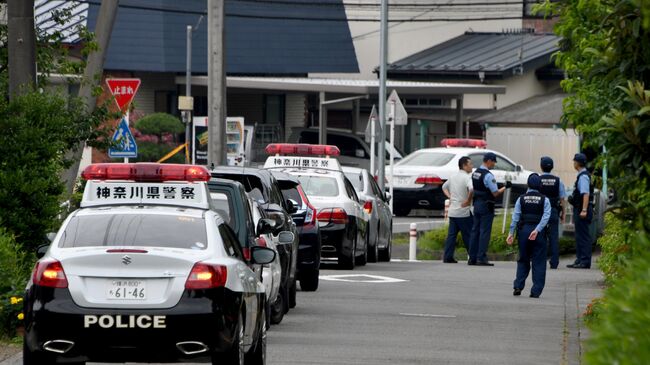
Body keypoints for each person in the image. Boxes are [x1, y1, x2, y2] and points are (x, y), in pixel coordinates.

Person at [507, 173, 551, 298]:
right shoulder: (545, 199)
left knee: (523, 260)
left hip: (524, 232)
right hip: (538, 234)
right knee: (539, 262)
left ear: (528, 184)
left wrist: (511, 233)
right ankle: (535, 291)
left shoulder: (521, 198)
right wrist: (537, 230)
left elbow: (515, 217)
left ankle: (518, 286)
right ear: (540, 185)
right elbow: (546, 217)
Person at [468, 152, 507, 266]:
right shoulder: (488, 175)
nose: (494, 164)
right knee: (485, 232)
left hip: (477, 204)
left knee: (475, 231)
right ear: (489, 161)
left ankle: (472, 258)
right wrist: (505, 187)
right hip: (486, 205)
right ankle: (481, 257)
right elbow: (495, 193)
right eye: (494, 162)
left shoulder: (476, 173)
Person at [441, 156, 474, 263]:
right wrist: (468, 200)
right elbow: (472, 189)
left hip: (453, 211)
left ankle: (448, 256)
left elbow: (444, 187)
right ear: (464, 165)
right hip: (463, 211)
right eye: (470, 164)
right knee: (468, 234)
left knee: (451, 235)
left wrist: (450, 197)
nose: (472, 166)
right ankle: (473, 257)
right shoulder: (467, 177)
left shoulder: (453, 176)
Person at [538, 157, 566, 269]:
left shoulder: (537, 179)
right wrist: (563, 213)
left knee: (539, 235)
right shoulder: (558, 181)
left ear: (541, 166)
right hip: (553, 211)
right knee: (554, 237)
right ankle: (554, 262)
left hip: (539, 212)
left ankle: (540, 260)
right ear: (552, 167)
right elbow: (563, 199)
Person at [567, 153, 593, 269]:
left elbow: (586, 194)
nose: (573, 163)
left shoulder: (583, 177)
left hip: (583, 210)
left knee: (583, 236)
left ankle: (585, 261)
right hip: (579, 209)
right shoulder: (581, 175)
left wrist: (584, 210)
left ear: (577, 163)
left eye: (574, 161)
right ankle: (579, 259)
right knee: (579, 235)